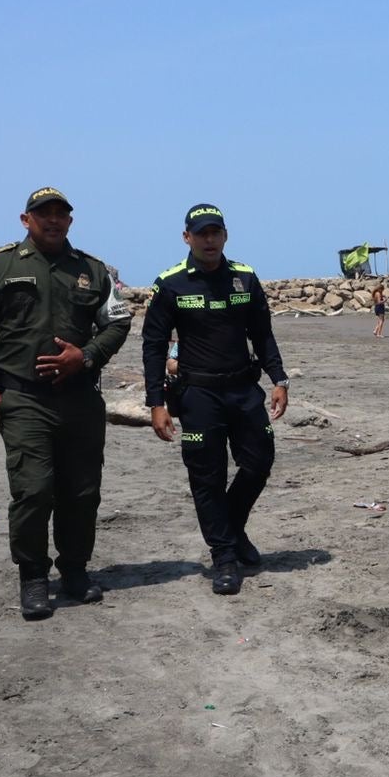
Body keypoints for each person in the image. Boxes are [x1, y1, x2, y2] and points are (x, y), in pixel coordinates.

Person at [0, 187, 132, 620]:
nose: (53, 220)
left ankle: (74, 570)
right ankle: (33, 576)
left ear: (70, 221)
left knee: (82, 491)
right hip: (21, 397)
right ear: (25, 219)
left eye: (60, 214)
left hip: (79, 398)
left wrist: (85, 356)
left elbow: (118, 321)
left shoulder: (92, 270)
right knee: (33, 489)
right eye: (43, 214)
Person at [142, 203, 290, 597]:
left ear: (225, 236)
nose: (209, 240)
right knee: (206, 477)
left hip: (244, 391)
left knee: (259, 462)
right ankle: (224, 556)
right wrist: (155, 402)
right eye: (201, 233)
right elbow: (153, 346)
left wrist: (279, 378)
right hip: (198, 395)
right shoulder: (170, 284)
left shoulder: (245, 277)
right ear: (187, 237)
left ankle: (231, 526)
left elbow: (263, 333)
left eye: (216, 232)